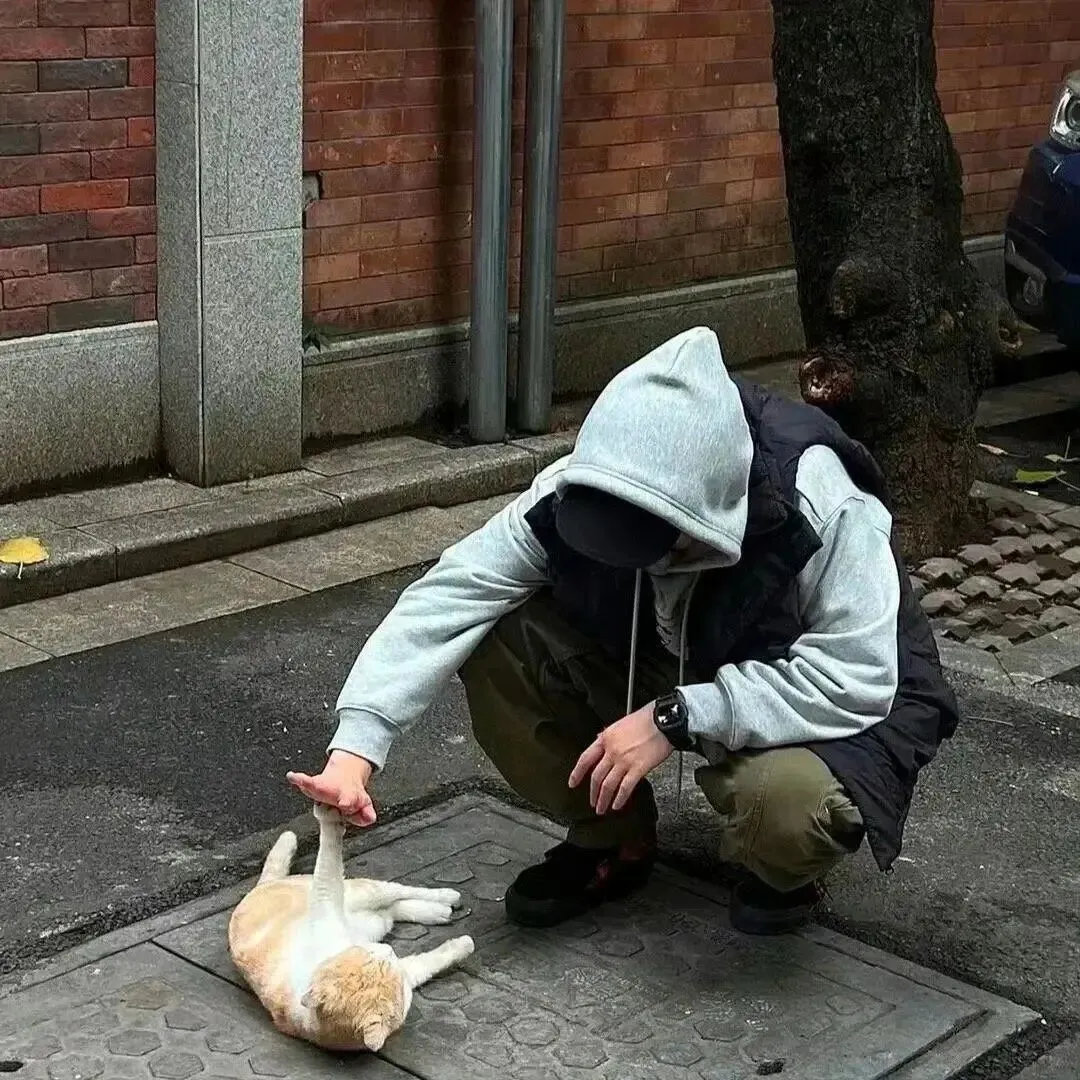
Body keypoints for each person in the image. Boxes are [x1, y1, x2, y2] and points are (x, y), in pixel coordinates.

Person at [288, 326, 958, 935]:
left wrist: (677, 717)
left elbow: (857, 677)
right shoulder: (579, 485)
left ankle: (785, 867)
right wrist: (356, 750)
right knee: (496, 635)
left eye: (652, 541)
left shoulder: (820, 500)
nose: (630, 554)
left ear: (706, 511)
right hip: (681, 655)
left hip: (835, 698)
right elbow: (452, 592)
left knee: (785, 808)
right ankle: (613, 835)